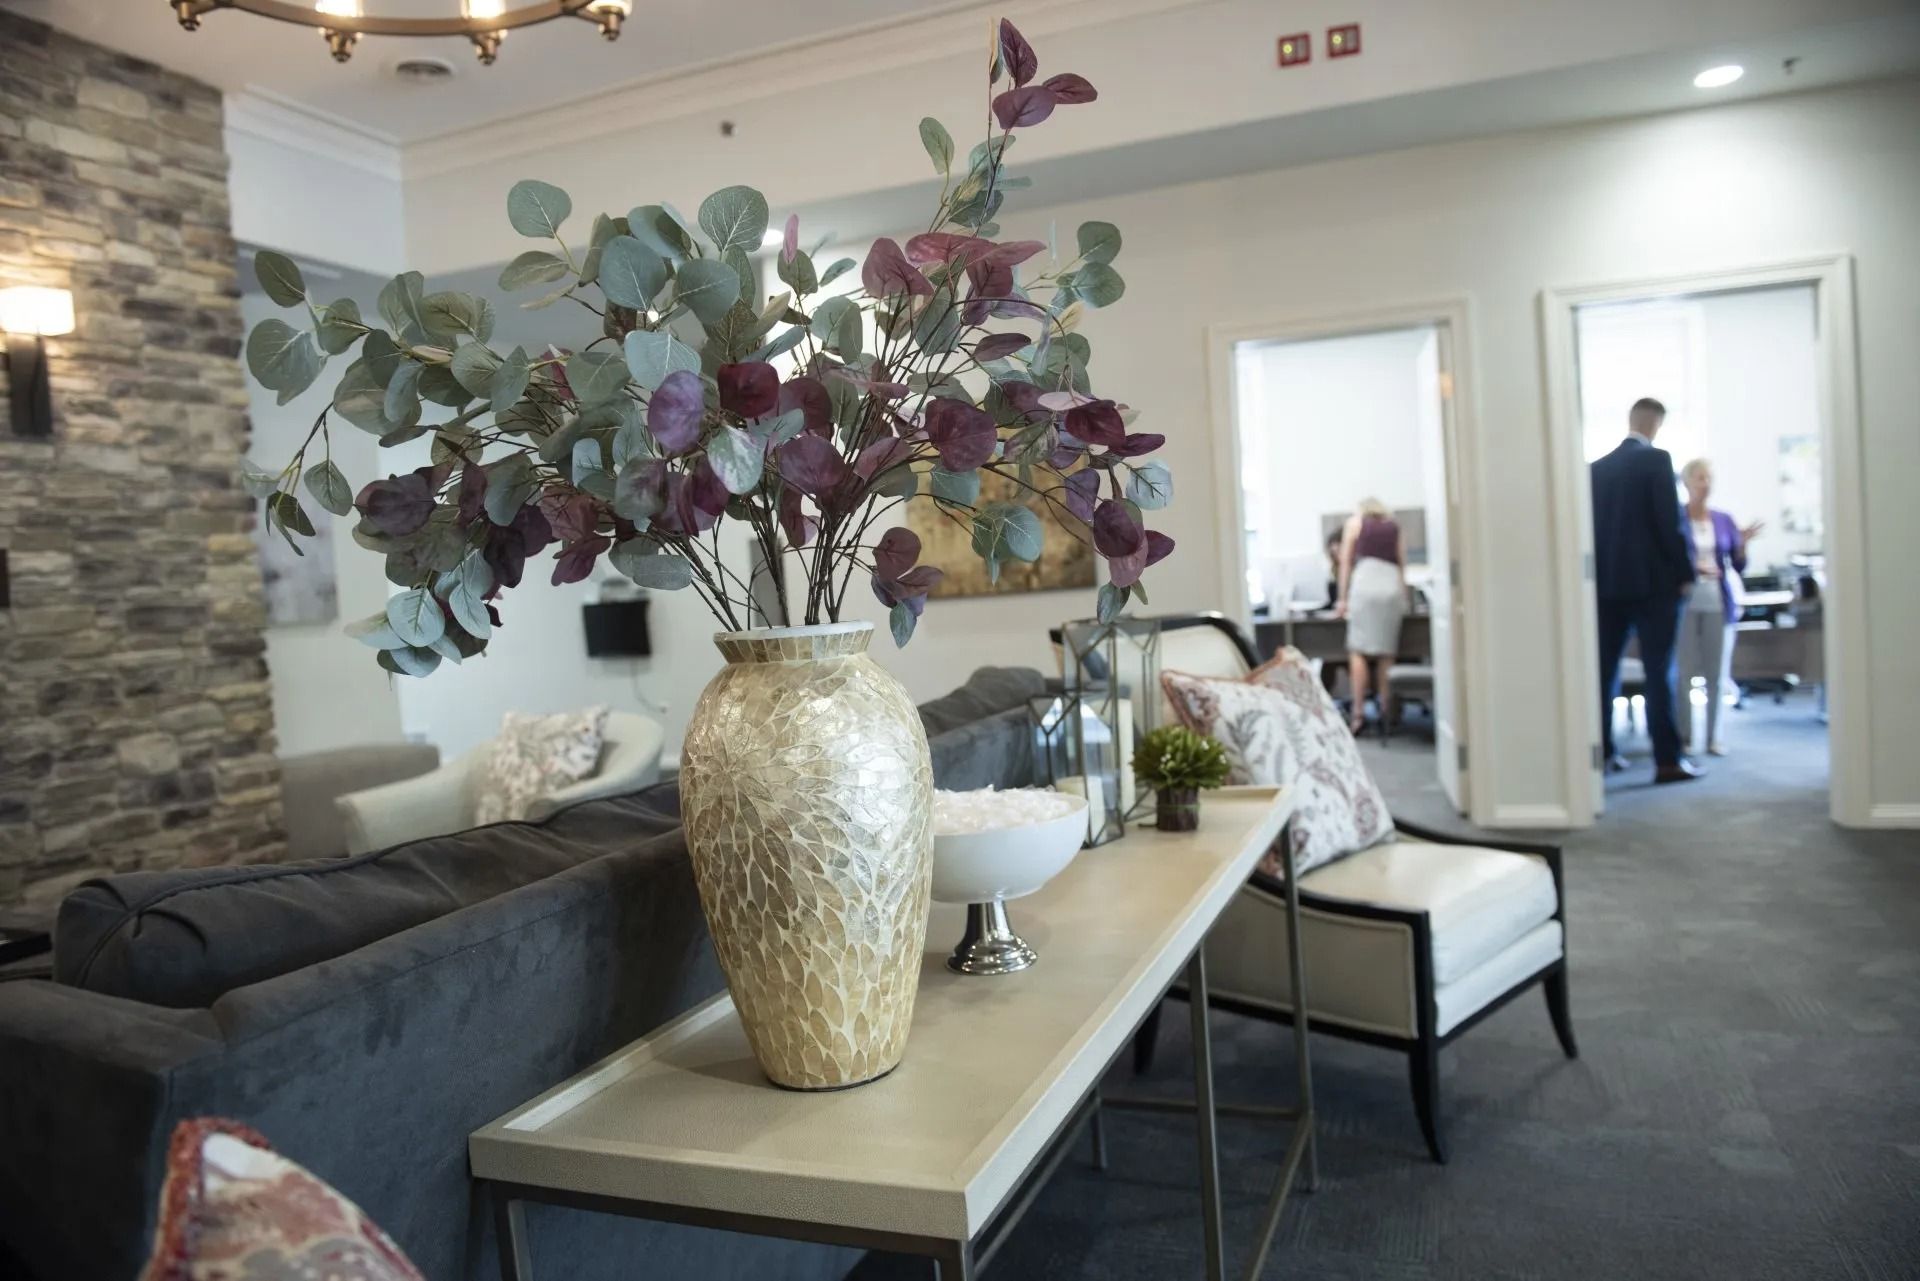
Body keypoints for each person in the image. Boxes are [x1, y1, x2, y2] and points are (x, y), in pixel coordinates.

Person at [1591, 398, 1702, 783]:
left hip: (1605, 587)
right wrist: (1687, 572)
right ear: (1656, 424)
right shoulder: (1657, 460)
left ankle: (1603, 753)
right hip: (1655, 588)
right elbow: (1669, 524)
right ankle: (1667, 761)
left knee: (1604, 673)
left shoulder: (1596, 470)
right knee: (1660, 671)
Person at [1676, 458, 1762, 756]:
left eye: (1709, 477)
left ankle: (1715, 736)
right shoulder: (1676, 516)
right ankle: (1685, 737)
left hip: (1718, 602)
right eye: (1700, 477)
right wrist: (1693, 568)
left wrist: (1742, 545)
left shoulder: (1723, 519)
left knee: (1716, 672)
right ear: (1686, 483)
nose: (1706, 483)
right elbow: (1669, 558)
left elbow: (1737, 565)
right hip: (1685, 603)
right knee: (1685, 671)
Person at [1334, 498, 1407, 735]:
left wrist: (1342, 598)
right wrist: (1404, 596)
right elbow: (1402, 563)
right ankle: (1386, 712)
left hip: (1365, 584)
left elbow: (1345, 562)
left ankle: (1358, 714)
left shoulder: (1354, 523)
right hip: (1390, 586)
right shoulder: (1394, 526)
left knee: (1358, 651)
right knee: (1387, 653)